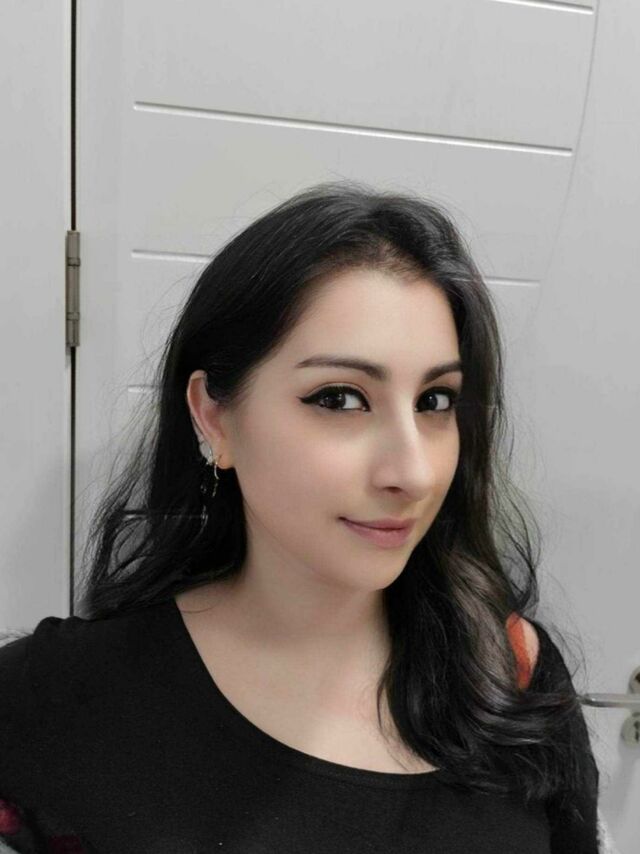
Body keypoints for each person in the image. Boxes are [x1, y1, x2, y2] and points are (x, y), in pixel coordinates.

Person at [0, 181, 600, 853]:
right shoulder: (60, 698)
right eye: (340, 398)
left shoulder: (510, 673)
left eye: (435, 401)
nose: (413, 472)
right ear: (214, 417)